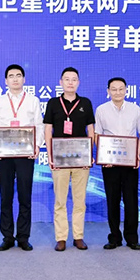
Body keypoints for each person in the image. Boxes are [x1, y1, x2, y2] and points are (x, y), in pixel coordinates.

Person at [0, 64, 44, 252]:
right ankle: (7, 237)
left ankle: (23, 237)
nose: (15, 79)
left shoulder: (33, 100)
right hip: (4, 154)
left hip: (25, 154)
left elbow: (39, 125)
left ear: (24, 79)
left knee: (24, 195)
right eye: (11, 76)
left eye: (18, 75)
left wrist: (37, 145)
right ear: (6, 81)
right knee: (6, 196)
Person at [43, 67, 95, 251]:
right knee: (60, 200)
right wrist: (50, 155)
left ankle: (78, 236)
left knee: (80, 200)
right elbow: (48, 129)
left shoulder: (85, 103)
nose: (70, 82)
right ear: (61, 82)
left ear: (78, 82)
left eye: (74, 79)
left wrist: (90, 154)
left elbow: (91, 129)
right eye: (67, 79)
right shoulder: (53, 103)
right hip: (60, 159)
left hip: (81, 159)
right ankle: (61, 237)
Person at [95, 77, 140, 250]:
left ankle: (132, 238)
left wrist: (136, 155)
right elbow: (97, 135)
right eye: (114, 89)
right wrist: (103, 156)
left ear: (126, 90)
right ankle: (114, 237)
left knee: (131, 201)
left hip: (130, 163)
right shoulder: (101, 110)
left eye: (121, 89)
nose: (117, 92)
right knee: (112, 200)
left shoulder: (135, 109)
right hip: (110, 164)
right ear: (108, 91)